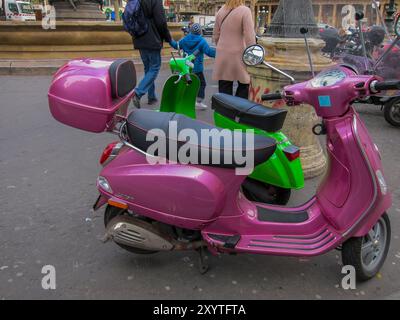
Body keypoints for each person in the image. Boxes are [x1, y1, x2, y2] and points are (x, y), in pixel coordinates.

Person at [132, 0, 172, 108]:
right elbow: (161, 22)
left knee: (148, 69)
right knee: (154, 68)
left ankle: (151, 97)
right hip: (152, 39)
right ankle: (138, 92)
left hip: (139, 39)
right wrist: (169, 38)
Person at [213, 0, 256, 99]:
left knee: (224, 84)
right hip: (238, 53)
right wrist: (253, 54)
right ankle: (237, 106)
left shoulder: (221, 11)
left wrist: (222, 47)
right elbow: (249, 36)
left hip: (222, 53)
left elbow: (215, 35)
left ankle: (225, 110)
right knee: (245, 83)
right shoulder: (245, 11)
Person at [170, 23, 216, 110]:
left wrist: (170, 40)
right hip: (197, 68)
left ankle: (184, 101)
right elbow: (209, 52)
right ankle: (198, 102)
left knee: (187, 84)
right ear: (200, 32)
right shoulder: (202, 41)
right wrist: (220, 52)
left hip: (186, 68)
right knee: (202, 84)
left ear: (191, 31)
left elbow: (176, 46)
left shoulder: (185, 39)